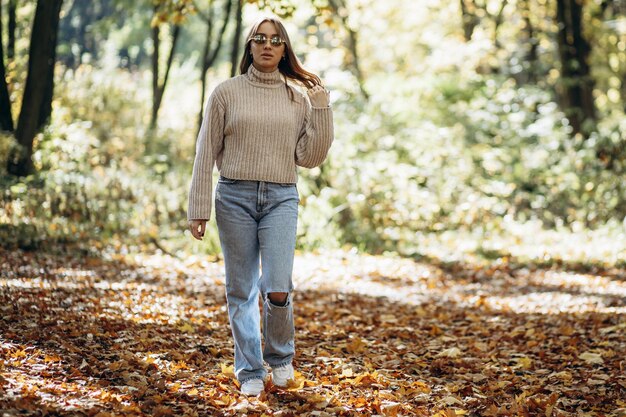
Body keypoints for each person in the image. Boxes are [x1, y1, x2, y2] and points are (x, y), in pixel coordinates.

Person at [187, 16, 333, 397]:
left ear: (285, 49)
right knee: (241, 288)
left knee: (278, 286)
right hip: (233, 196)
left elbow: (310, 157)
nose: (267, 45)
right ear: (250, 46)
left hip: (282, 197)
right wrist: (198, 206)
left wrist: (322, 111)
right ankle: (250, 369)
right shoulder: (225, 93)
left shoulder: (296, 97)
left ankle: (280, 358)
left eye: (276, 40)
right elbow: (206, 153)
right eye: (260, 38)